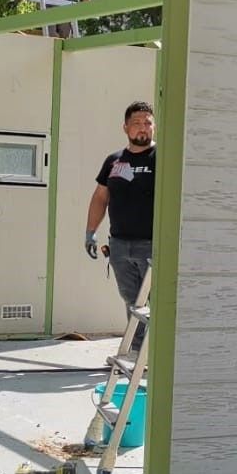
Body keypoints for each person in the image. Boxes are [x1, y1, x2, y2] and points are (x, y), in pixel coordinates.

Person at [86, 100, 156, 347]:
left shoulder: (161, 158)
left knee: (157, 303)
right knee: (131, 301)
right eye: (136, 123)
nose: (143, 128)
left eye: (147, 123)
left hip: (152, 246)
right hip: (119, 246)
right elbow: (100, 197)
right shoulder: (114, 161)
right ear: (125, 127)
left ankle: (157, 354)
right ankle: (138, 351)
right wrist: (90, 232)